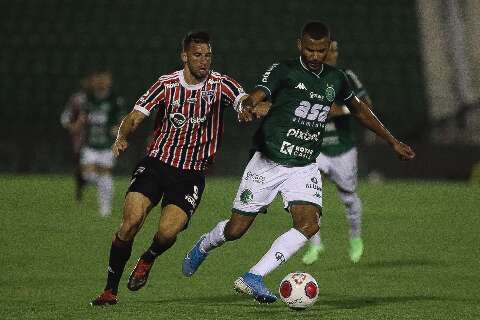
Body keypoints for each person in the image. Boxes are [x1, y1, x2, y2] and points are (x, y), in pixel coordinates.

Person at [182, 21, 415, 304]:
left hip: (304, 164)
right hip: (269, 160)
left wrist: (392, 141)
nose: (315, 56)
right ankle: (204, 245)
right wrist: (247, 105)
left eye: (321, 50)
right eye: (309, 49)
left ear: (328, 48)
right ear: (299, 45)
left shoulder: (337, 79)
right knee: (236, 229)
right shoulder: (285, 70)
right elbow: (259, 93)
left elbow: (360, 111)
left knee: (309, 224)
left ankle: (253, 276)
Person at [90, 31, 267, 306]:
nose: (204, 61)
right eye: (197, 55)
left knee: (167, 233)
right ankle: (110, 290)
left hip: (190, 174)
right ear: (184, 56)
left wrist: (249, 108)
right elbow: (136, 116)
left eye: (208, 55)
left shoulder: (220, 84)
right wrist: (123, 135)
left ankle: (148, 258)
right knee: (130, 223)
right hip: (156, 163)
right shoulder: (166, 84)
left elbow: (243, 100)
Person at [302, 38, 373, 265]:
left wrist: (340, 110)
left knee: (349, 198)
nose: (331, 55)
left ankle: (355, 239)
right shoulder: (305, 78)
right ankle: (315, 245)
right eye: (327, 51)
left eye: (334, 50)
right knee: (307, 196)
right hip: (315, 148)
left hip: (342, 148)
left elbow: (367, 105)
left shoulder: (346, 76)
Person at [61, 68, 125, 217]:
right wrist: (76, 125)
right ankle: (104, 188)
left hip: (107, 145)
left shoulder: (115, 100)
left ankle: (105, 211)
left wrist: (118, 129)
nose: (104, 82)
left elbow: (123, 119)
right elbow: (81, 118)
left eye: (107, 79)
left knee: (105, 174)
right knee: (88, 175)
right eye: (102, 78)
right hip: (90, 145)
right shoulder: (88, 99)